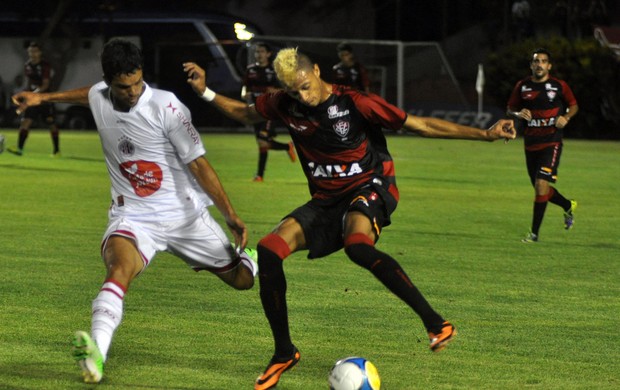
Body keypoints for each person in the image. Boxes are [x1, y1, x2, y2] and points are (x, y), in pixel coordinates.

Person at [184, 47, 516, 390]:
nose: (304, 96)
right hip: (327, 201)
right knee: (269, 249)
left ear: (316, 70)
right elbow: (245, 112)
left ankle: (435, 323)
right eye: (295, 91)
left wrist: (486, 134)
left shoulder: (355, 102)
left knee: (357, 245)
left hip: (371, 186)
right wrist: (204, 91)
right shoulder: (284, 102)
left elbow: (421, 125)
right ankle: (284, 352)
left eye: (306, 86)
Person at [12, 38, 258, 384]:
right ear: (109, 81)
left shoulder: (167, 107)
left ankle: (248, 259)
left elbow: (199, 165)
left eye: (137, 83)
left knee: (243, 281)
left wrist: (230, 214)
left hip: (185, 217)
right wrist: (42, 98)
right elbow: (90, 94)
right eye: (123, 87)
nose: (132, 92)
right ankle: (96, 355)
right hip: (133, 218)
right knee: (118, 269)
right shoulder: (101, 94)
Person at [507, 48, 579, 243]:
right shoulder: (522, 86)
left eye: (543, 61)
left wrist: (566, 117)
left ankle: (534, 234)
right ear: (531, 65)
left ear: (549, 65)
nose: (539, 64)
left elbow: (574, 105)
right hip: (531, 144)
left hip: (552, 142)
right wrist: (518, 114)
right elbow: (511, 108)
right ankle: (568, 205)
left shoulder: (558, 86)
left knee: (541, 186)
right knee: (541, 190)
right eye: (536, 61)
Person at [242, 41, 296, 182]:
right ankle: (287, 146)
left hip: (269, 110)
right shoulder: (251, 70)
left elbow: (285, 90)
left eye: (261, 52)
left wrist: (275, 91)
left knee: (262, 139)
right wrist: (245, 94)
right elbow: (245, 88)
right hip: (254, 110)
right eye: (257, 52)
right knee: (263, 143)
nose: (258, 54)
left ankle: (259, 175)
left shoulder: (274, 70)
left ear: (268, 54)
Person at [8, 42, 60, 156]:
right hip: (33, 100)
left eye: (35, 51)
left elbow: (46, 84)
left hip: (45, 99)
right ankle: (19, 149)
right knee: (25, 122)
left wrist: (34, 94)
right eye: (30, 51)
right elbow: (29, 82)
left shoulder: (45, 65)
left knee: (51, 123)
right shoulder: (27, 65)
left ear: (40, 52)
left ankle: (57, 151)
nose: (32, 54)